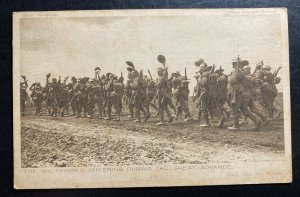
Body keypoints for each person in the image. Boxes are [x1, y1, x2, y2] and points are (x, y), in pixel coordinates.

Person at [227, 57, 262, 131]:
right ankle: (256, 120)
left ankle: (236, 126)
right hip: (241, 92)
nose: (232, 64)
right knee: (244, 109)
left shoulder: (235, 71)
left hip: (235, 93)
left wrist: (229, 77)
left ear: (235, 64)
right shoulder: (241, 71)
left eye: (233, 63)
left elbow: (233, 81)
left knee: (235, 109)